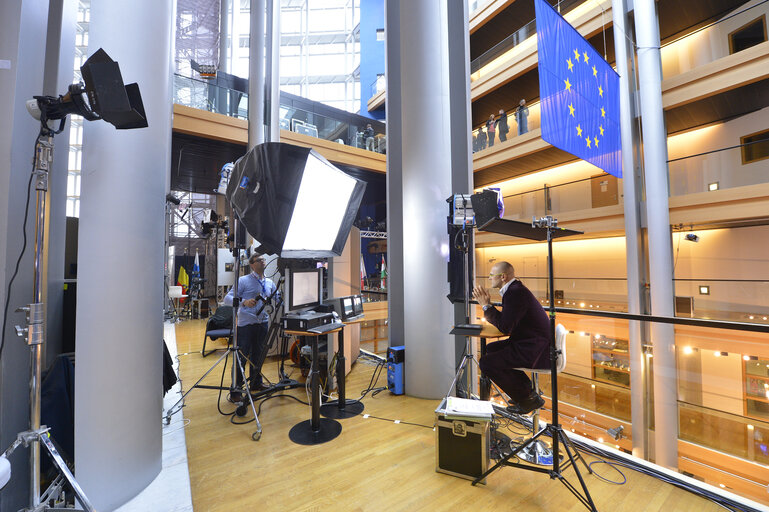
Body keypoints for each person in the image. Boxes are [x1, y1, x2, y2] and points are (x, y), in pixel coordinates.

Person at [472, 261, 550, 414]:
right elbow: (508, 322)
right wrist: (488, 306)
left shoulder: (514, 293)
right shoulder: (514, 290)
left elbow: (506, 327)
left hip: (534, 348)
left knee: (486, 363)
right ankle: (527, 391)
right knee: (490, 348)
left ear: (503, 277)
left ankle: (528, 400)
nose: (489, 278)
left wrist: (486, 306)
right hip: (530, 341)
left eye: (491, 275)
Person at [223, 253, 279, 398]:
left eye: (263, 260)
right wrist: (244, 301)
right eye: (259, 260)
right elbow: (227, 298)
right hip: (246, 325)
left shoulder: (270, 282)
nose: (263, 262)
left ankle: (256, 383)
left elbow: (278, 299)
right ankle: (236, 390)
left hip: (263, 324)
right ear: (252, 264)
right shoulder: (243, 281)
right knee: (241, 357)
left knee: (258, 356)